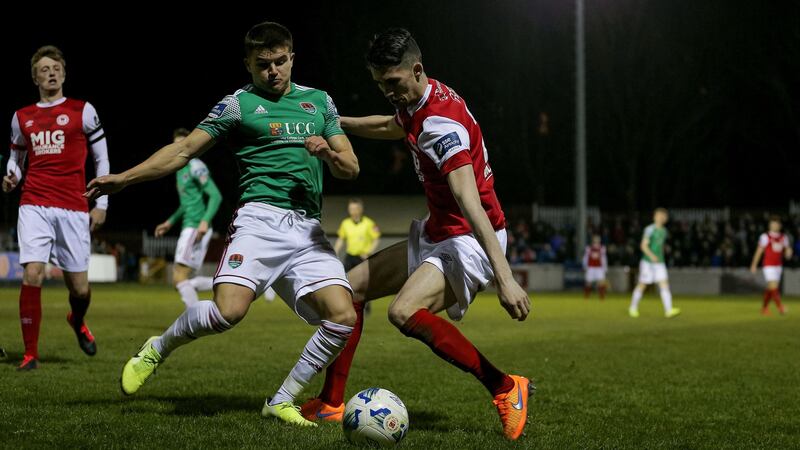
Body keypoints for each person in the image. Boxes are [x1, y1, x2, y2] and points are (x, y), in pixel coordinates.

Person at [86, 21, 359, 426]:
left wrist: (328, 155)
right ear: (248, 64)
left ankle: (281, 400)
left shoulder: (319, 102)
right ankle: (157, 348)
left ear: (292, 58)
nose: (273, 71)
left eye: (280, 61)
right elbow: (183, 150)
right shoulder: (237, 105)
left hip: (307, 229)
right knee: (229, 313)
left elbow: (350, 168)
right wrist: (124, 179)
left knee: (344, 317)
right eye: (263, 64)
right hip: (259, 221)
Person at [298, 28, 533, 440]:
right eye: (380, 84)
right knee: (346, 292)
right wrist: (336, 123)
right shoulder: (420, 99)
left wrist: (506, 278)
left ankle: (505, 387)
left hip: (471, 239)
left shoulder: (441, 126)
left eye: (393, 83)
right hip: (440, 229)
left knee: (402, 312)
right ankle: (333, 403)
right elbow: (393, 126)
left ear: (417, 70)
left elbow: (469, 201)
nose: (388, 92)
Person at [3, 45, 110, 370]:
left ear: (63, 73)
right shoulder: (22, 117)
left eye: (56, 68)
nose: (51, 73)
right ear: (35, 77)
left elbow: (101, 159)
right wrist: (12, 175)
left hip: (74, 206)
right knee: (32, 273)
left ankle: (77, 321)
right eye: (44, 69)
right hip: (34, 202)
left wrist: (101, 202)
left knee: (79, 288)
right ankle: (30, 354)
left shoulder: (83, 110)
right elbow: (16, 159)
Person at [153, 128, 222, 308]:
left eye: (183, 143)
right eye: (176, 145)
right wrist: (169, 222)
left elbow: (215, 195)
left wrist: (204, 221)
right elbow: (186, 204)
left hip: (195, 226)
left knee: (179, 277)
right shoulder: (179, 170)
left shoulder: (195, 166)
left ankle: (194, 319)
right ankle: (225, 284)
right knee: (183, 279)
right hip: (189, 225)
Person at [628, 208, 681, 318]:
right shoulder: (650, 229)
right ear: (656, 216)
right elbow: (643, 245)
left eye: (664, 216)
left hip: (659, 263)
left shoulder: (664, 231)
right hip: (648, 262)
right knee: (643, 284)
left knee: (664, 284)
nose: (662, 218)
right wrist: (652, 256)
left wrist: (662, 255)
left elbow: (660, 246)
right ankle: (633, 308)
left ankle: (668, 310)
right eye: (660, 215)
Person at [750, 216, 792, 315]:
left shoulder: (783, 237)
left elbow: (787, 250)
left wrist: (789, 253)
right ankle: (780, 308)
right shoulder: (765, 237)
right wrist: (754, 264)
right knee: (774, 286)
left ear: (780, 225)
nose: (774, 225)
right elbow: (759, 251)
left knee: (770, 288)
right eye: (773, 223)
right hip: (768, 265)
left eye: (776, 223)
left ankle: (764, 308)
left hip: (778, 265)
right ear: (770, 225)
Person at [334, 198, 381, 272]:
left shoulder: (369, 223)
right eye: (351, 209)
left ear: (361, 209)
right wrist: (335, 251)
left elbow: (376, 239)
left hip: (363, 257)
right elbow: (341, 239)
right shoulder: (345, 223)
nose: (353, 211)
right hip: (350, 255)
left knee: (364, 278)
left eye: (356, 208)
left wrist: (369, 252)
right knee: (346, 276)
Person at [582, 234, 608, 300]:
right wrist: (584, 266)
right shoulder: (588, 249)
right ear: (593, 241)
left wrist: (605, 267)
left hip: (599, 268)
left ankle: (602, 296)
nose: (596, 242)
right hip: (591, 267)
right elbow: (585, 258)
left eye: (598, 241)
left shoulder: (602, 249)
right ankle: (586, 296)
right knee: (588, 282)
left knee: (601, 282)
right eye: (595, 241)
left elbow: (604, 259)